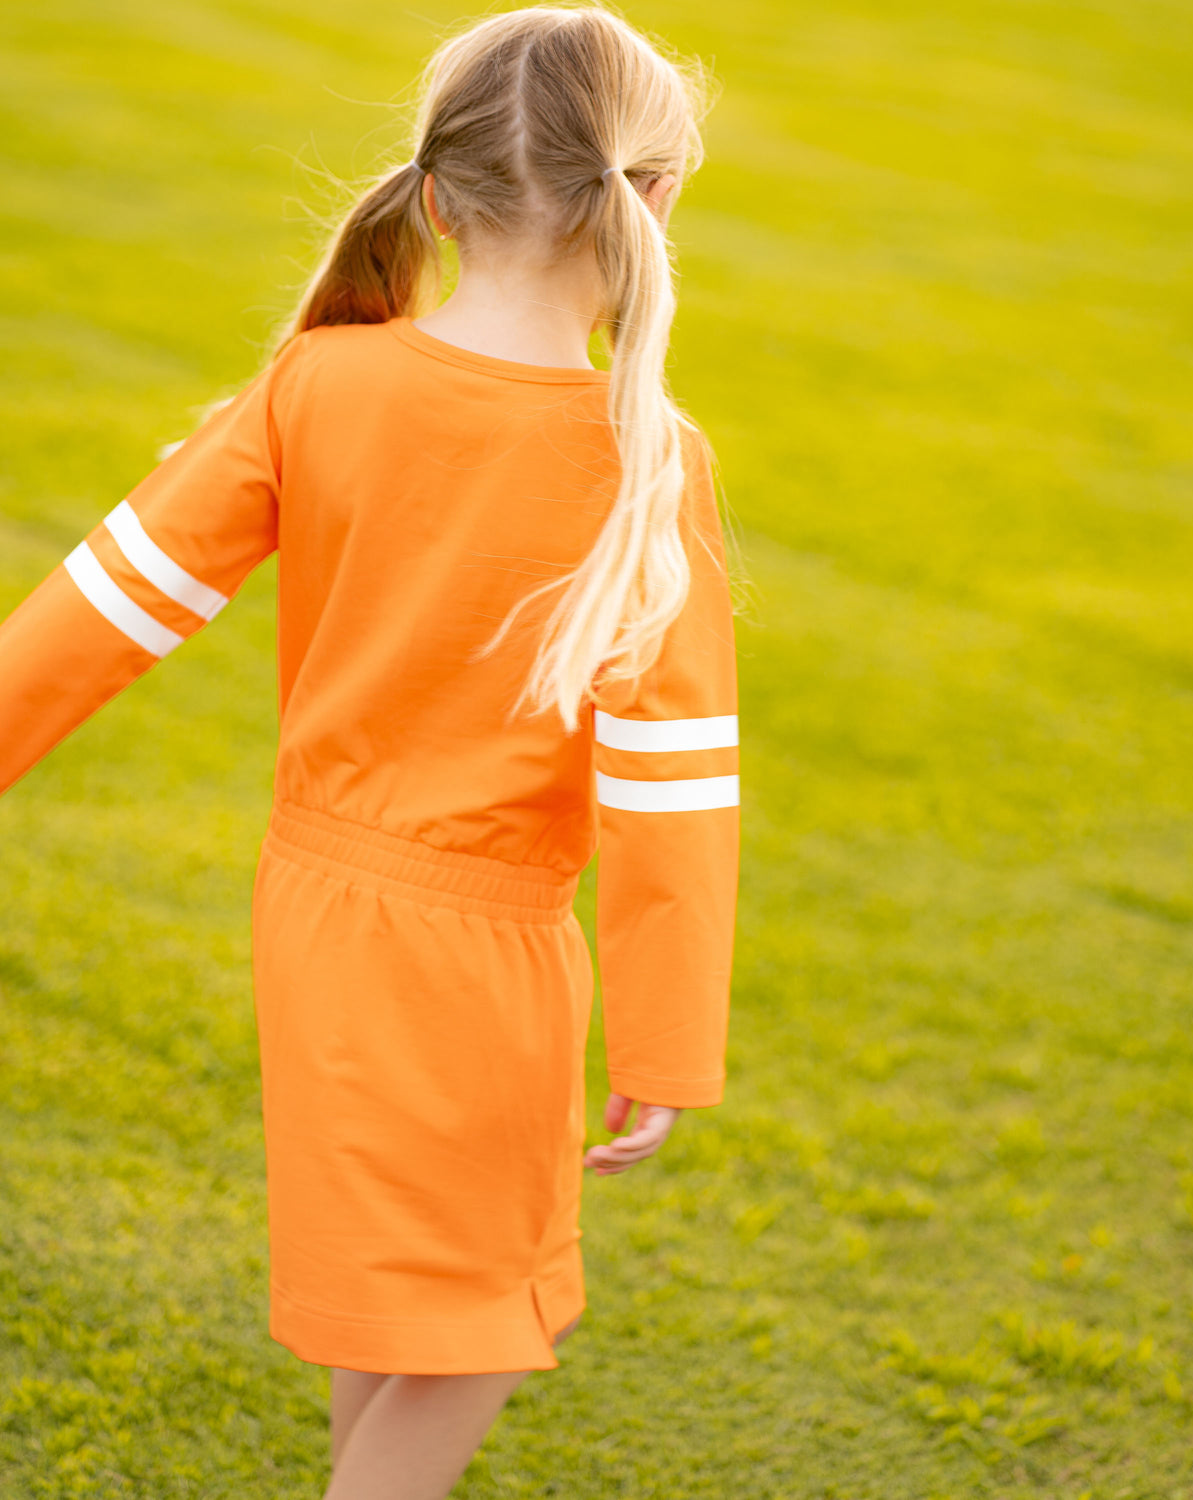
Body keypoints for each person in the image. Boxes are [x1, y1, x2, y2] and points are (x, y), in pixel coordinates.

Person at [0, 5, 740, 1496]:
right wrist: (665, 1036)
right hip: (484, 957)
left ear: (441, 191)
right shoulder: (645, 457)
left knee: (396, 1290)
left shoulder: (320, 384)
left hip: (315, 913)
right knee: (479, 1321)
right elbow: (674, 779)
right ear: (651, 199)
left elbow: (108, 599)